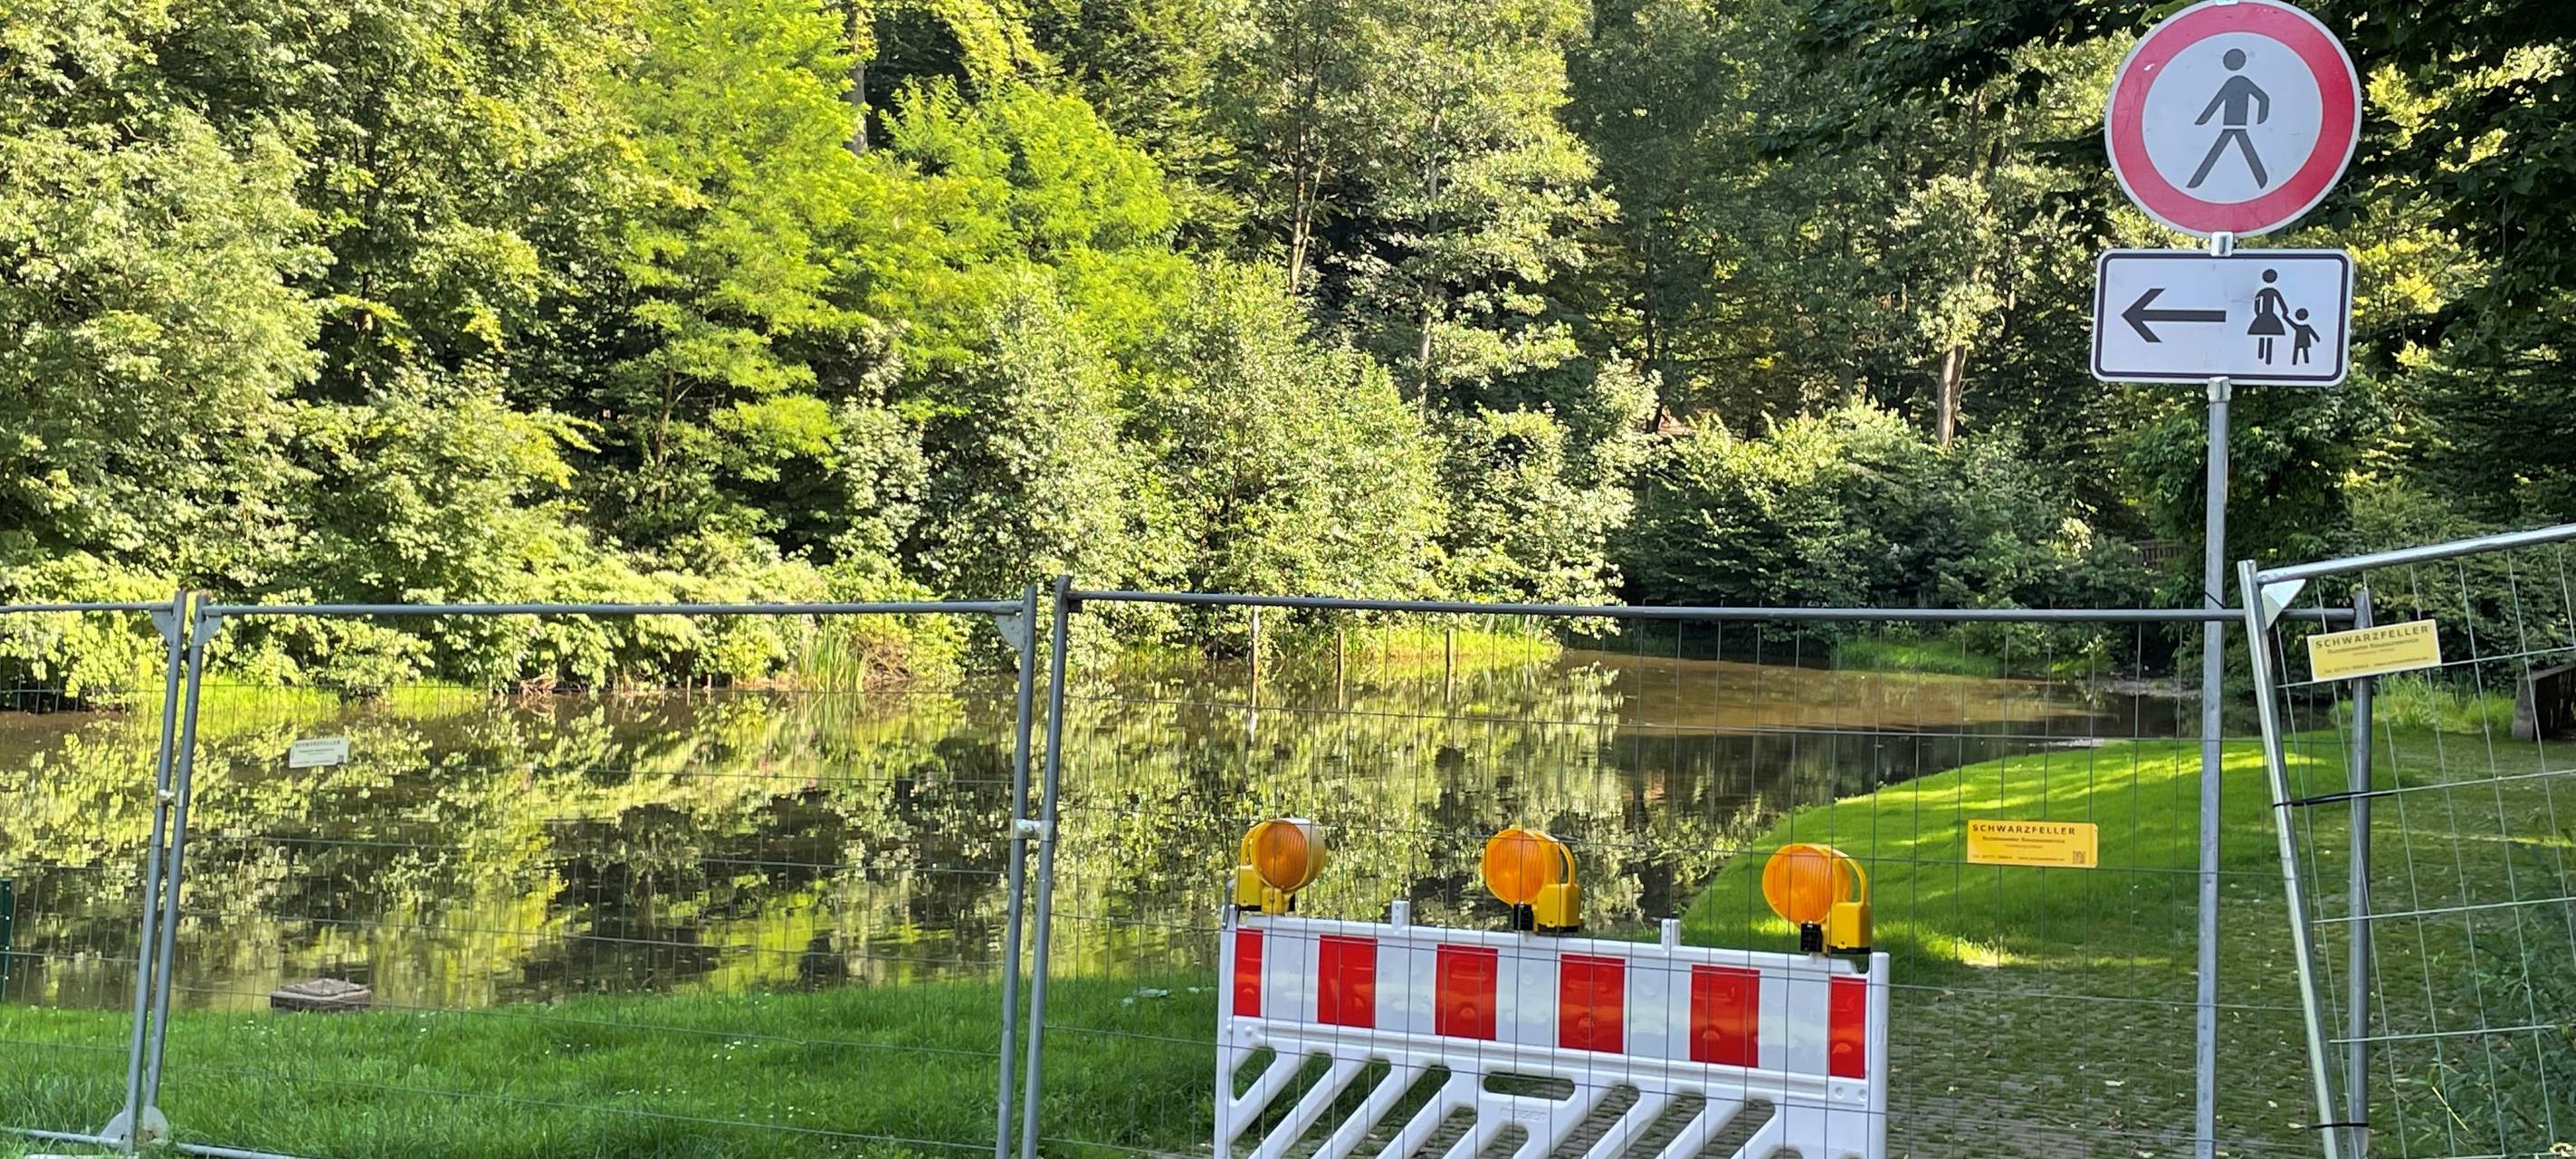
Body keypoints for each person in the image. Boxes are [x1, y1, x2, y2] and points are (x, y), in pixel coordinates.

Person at [2190, 49, 2273, 190]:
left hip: (2236, 125)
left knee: (2219, 152)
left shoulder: (2237, 82)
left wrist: (2261, 118)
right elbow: (2217, 101)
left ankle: (2263, 181)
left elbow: (2263, 98)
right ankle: (2263, 181)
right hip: (2232, 125)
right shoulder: (2236, 82)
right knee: (2229, 151)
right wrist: (2203, 119)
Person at [2249, 269, 2289, 364]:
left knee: (2266, 335)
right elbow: (2282, 304)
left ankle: (2263, 357)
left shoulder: (2263, 292)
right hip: (2269, 316)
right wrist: (2285, 312)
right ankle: (2263, 358)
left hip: (2264, 316)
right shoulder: (2272, 292)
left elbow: (2256, 305)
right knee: (2266, 335)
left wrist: (2258, 314)